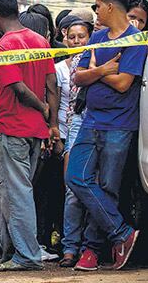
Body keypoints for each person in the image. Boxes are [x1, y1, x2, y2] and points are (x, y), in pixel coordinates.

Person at [67, 0, 147, 271]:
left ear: (110, 7)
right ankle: (122, 234)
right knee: (76, 176)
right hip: (91, 119)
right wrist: (103, 71)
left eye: (97, 5)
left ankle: (91, 250)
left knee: (107, 188)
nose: (95, 10)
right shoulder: (99, 38)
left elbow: (125, 83)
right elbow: (79, 77)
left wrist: (95, 74)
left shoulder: (136, 41)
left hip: (119, 125)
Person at [0, 0, 58, 272]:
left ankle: (26, 256)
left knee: (16, 194)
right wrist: (51, 122)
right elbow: (52, 84)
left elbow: (17, 87)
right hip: (35, 132)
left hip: (12, 127)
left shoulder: (4, 46)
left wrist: (41, 107)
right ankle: (11, 253)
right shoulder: (39, 40)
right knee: (15, 192)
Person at [57, 15, 93, 268]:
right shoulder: (64, 67)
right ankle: (69, 247)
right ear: (64, 38)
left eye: (82, 36)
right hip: (73, 127)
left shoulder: (95, 58)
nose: (77, 40)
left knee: (94, 187)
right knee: (72, 189)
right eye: (72, 37)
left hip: (97, 124)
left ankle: (90, 247)